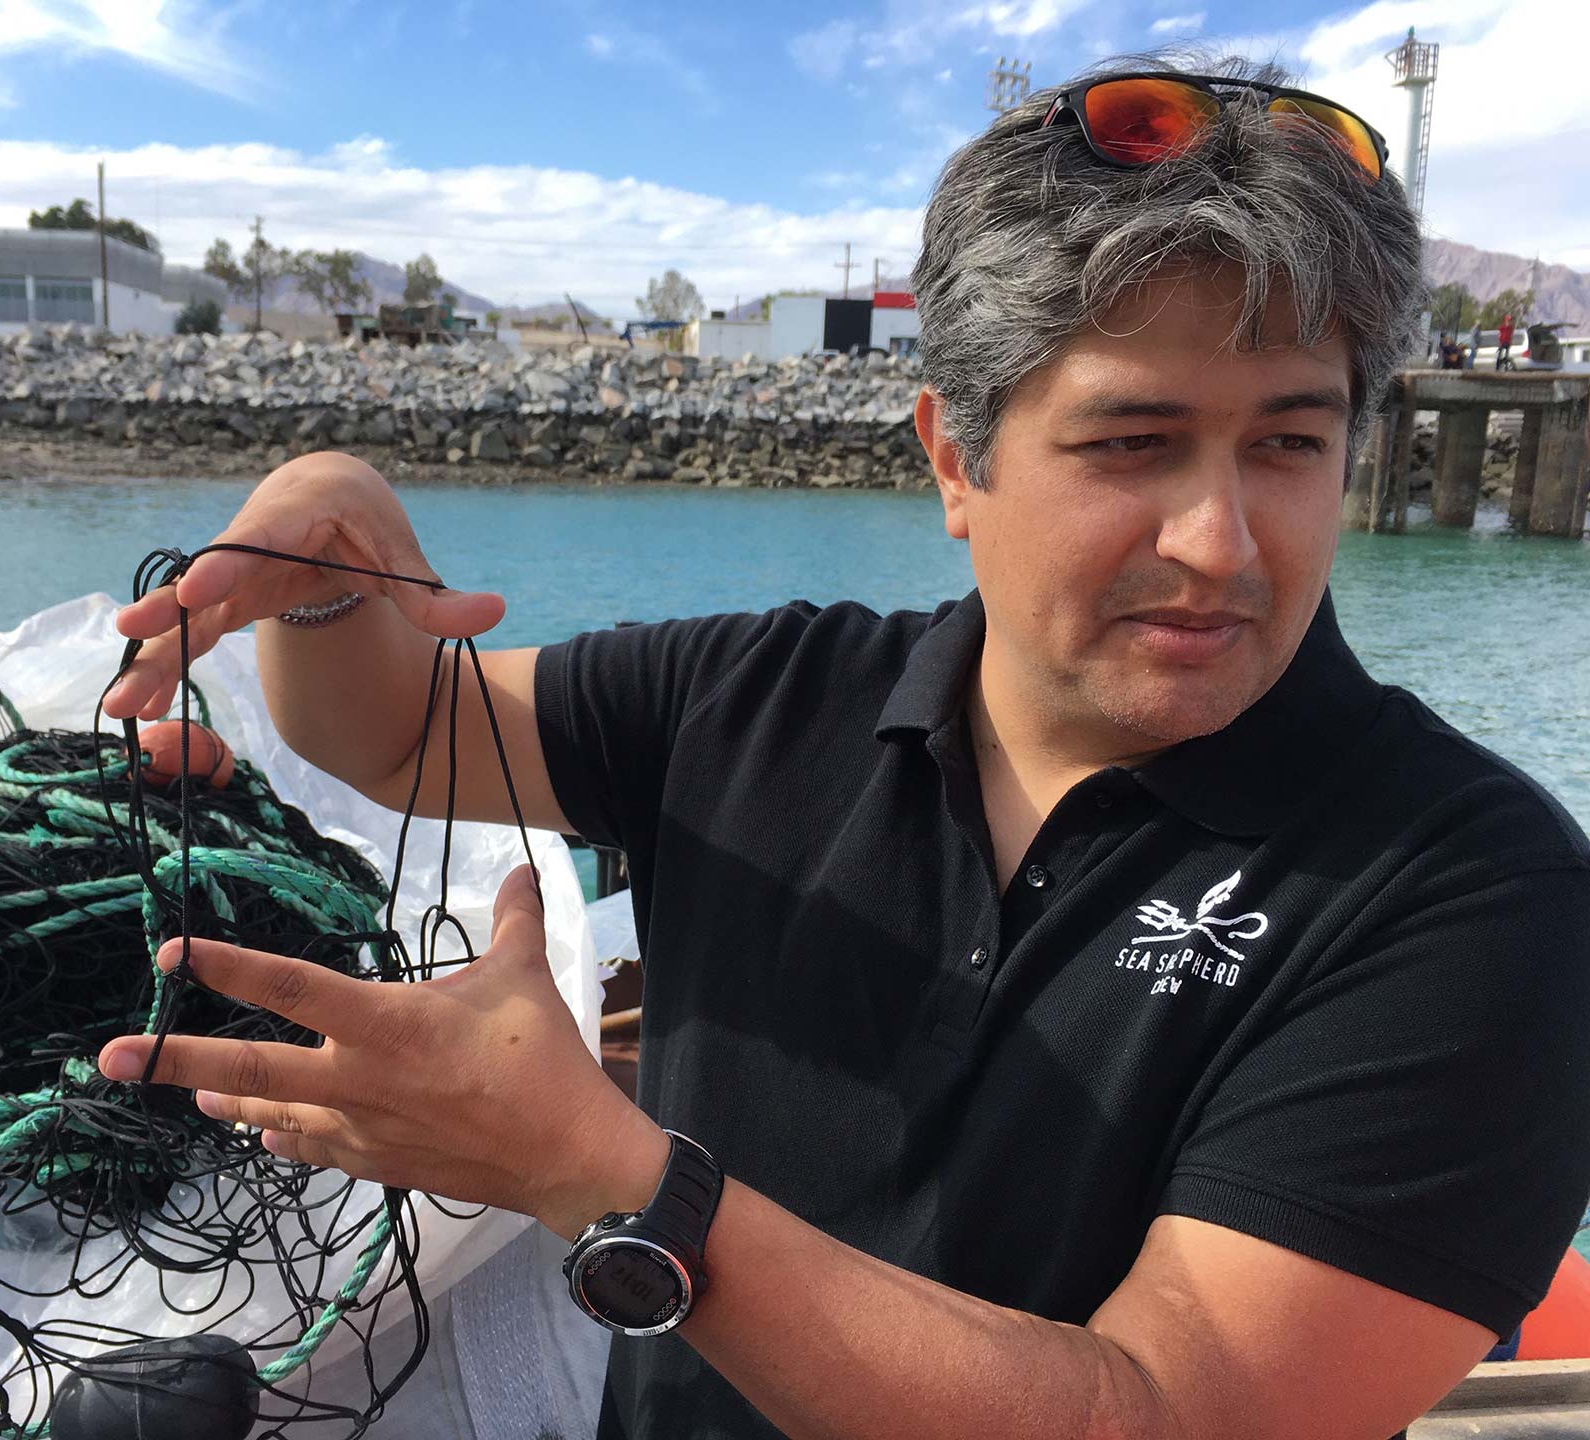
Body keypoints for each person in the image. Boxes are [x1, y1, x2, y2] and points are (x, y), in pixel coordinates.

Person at [99, 56, 1590, 1440]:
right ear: (955, 457)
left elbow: (1159, 1411)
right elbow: (405, 731)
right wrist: (330, 527)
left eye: (1289, 443)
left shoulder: (1474, 894)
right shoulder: (760, 694)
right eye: (1132, 444)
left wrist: (605, 1179)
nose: (1220, 543)